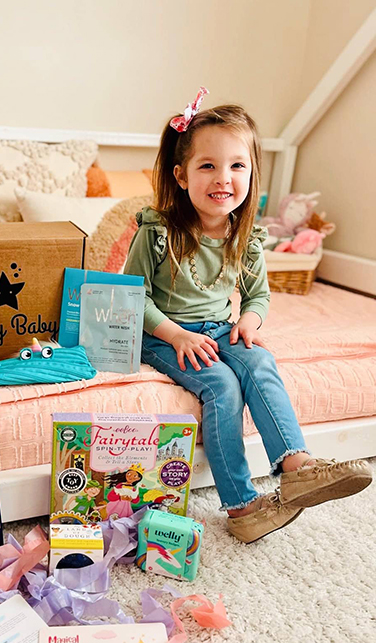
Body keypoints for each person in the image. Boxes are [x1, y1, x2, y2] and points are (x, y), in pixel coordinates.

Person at [124, 88, 372, 543]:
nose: (224, 178)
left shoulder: (246, 236)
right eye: (208, 165)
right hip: (164, 335)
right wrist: (176, 334)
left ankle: (296, 466)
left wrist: (249, 322)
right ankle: (241, 507)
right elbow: (132, 298)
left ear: (251, 172)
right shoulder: (158, 231)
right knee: (221, 385)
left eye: (237, 165)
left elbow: (259, 296)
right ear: (181, 175)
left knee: (260, 361)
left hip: (219, 329)